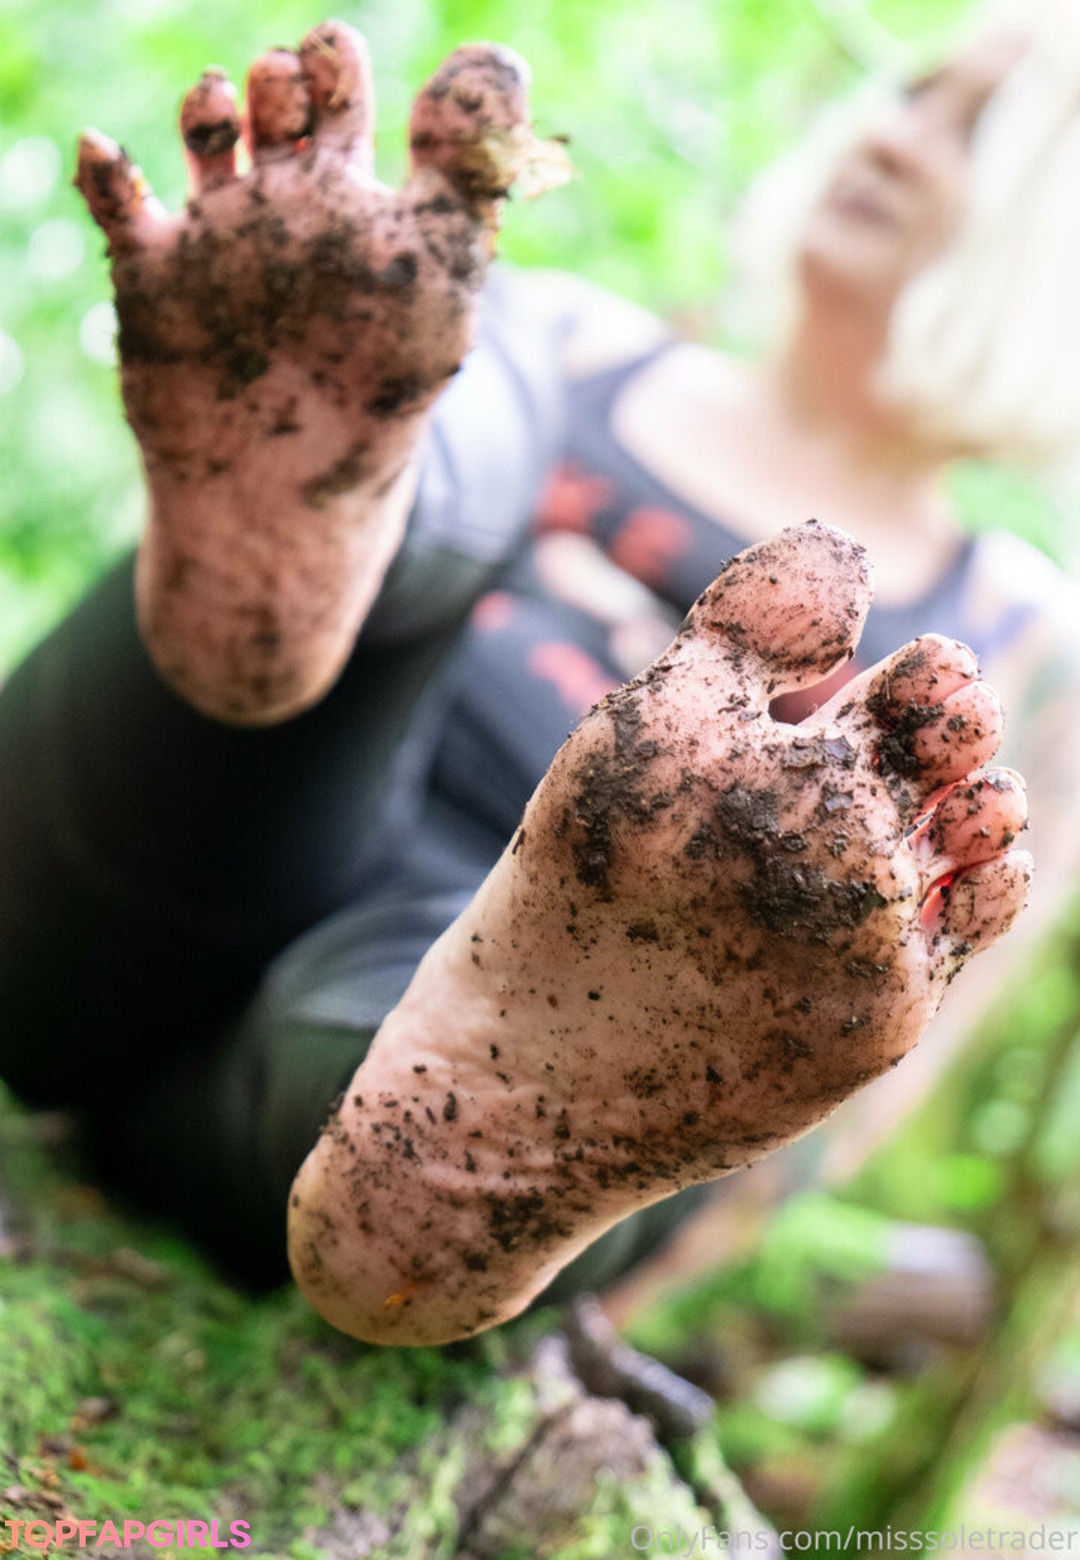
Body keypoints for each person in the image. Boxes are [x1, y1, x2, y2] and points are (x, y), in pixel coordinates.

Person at [0, 9, 1060, 1344]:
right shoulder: (574, 341)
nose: (897, 142)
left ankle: (452, 1173)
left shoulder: (1021, 631)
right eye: (911, 95)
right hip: (157, 860)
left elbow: (875, 1072)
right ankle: (299, 546)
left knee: (437, 1047)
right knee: (452, 428)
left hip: (392, 1063)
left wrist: (624, 1309)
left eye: (978, 131)